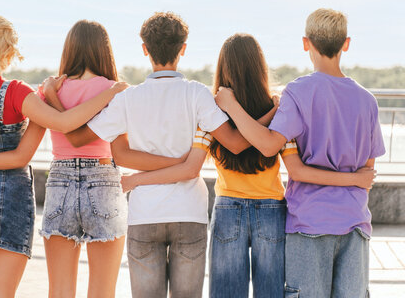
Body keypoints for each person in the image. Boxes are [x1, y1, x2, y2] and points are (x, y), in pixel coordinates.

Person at [122, 33, 376, 298]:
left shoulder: (214, 110)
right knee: (270, 293)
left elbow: (209, 154)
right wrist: (271, 113)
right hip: (271, 208)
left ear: (223, 67)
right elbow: (290, 162)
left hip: (229, 207)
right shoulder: (278, 109)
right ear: (259, 66)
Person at [0, 19, 182, 297]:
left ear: (69, 50)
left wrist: (52, 95)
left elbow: (55, 130)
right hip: (103, 181)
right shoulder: (116, 91)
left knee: (60, 290)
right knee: (102, 290)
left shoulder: (48, 91)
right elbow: (120, 150)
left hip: (60, 182)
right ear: (105, 51)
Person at [61, 12, 262, 298]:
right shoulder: (197, 94)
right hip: (189, 213)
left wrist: (57, 97)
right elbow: (236, 143)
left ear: (145, 49)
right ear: (183, 49)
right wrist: (271, 115)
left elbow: (80, 139)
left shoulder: (127, 99)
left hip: (144, 215)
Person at [0, 14, 127, 298]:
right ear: (8, 52)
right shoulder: (19, 93)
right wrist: (112, 92)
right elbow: (32, 149)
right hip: (25, 200)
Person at [215, 9, 385, 297]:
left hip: (309, 222)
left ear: (306, 43)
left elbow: (269, 145)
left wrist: (230, 106)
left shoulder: (298, 92)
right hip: (355, 223)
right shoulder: (368, 102)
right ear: (346, 43)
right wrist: (353, 179)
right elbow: (366, 174)